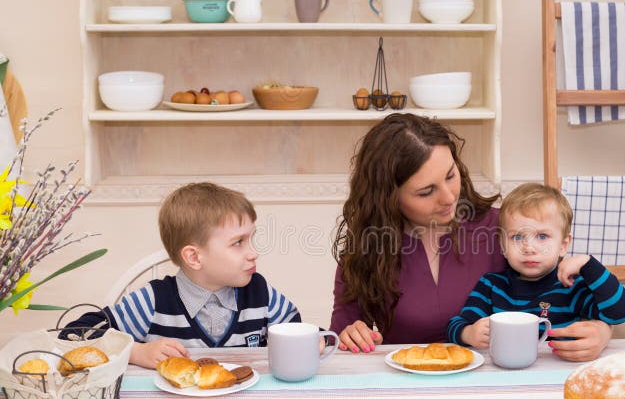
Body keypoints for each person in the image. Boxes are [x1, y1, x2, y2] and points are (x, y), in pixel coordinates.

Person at [62, 182, 301, 368]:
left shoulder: (259, 293)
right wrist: (135, 352)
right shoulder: (152, 302)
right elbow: (71, 336)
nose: (253, 253)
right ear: (194, 257)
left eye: (251, 239)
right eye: (238, 243)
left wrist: (316, 340)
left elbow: (298, 330)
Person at [330, 113, 506, 352]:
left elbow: (558, 293)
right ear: (389, 199)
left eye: (450, 176)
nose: (449, 197)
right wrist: (350, 335)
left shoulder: (502, 229)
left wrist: (575, 322)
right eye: (426, 191)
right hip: (404, 384)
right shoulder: (367, 250)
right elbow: (342, 335)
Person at [447, 182, 625, 362]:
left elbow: (620, 312)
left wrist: (590, 265)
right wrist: (468, 333)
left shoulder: (571, 285)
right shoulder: (491, 286)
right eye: (517, 237)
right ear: (503, 245)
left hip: (560, 374)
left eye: (542, 236)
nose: (529, 248)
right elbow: (456, 325)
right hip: (502, 376)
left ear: (563, 245)